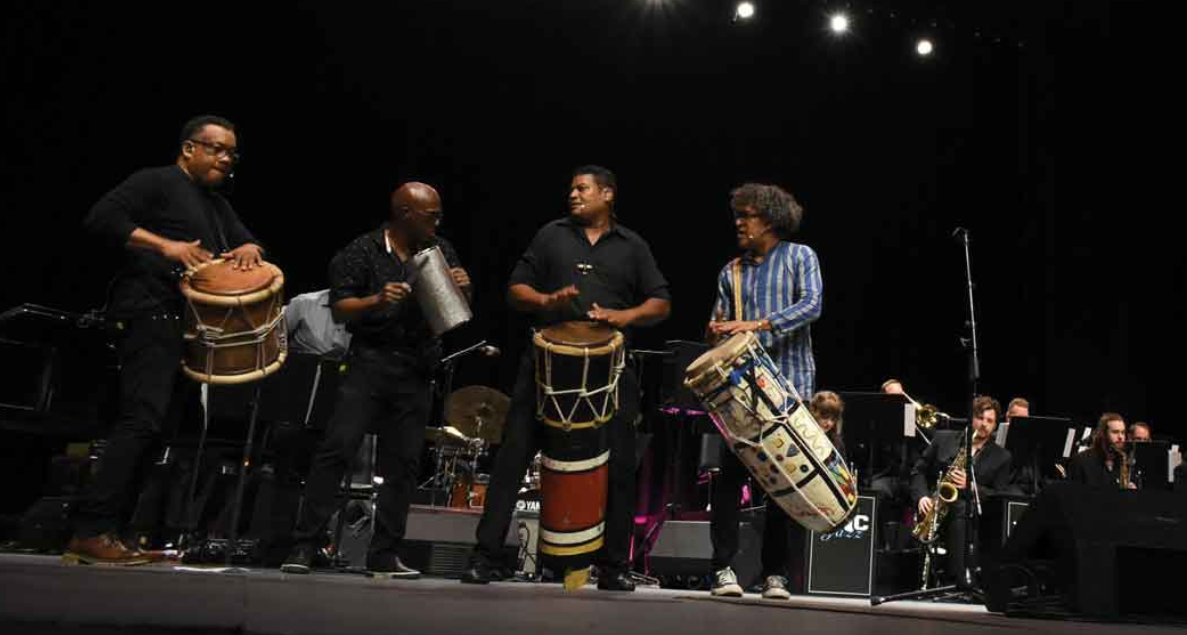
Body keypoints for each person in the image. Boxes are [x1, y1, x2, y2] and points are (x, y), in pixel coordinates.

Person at [462, 166, 670, 592]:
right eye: (571, 189)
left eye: (582, 188)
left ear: (608, 194)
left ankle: (613, 566)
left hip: (608, 372)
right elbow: (515, 290)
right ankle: (484, 557)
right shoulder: (551, 235)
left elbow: (661, 302)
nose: (572, 195)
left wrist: (624, 316)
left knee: (621, 470)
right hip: (545, 369)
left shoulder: (632, 246)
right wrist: (546, 299)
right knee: (511, 458)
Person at [68, 115, 263, 565]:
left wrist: (251, 247)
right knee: (141, 421)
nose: (226, 158)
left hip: (186, 325)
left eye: (232, 152)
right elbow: (101, 218)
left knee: (160, 431)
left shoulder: (215, 205)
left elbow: (245, 241)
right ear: (189, 148)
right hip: (148, 312)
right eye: (217, 149)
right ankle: (89, 529)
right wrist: (164, 246)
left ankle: (117, 532)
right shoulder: (154, 182)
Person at [279, 182, 471, 578]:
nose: (438, 221)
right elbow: (341, 309)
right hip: (370, 363)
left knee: (403, 464)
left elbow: (454, 312)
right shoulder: (362, 250)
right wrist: (377, 300)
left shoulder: (439, 250)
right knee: (336, 450)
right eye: (431, 214)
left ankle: (384, 554)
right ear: (405, 214)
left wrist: (463, 288)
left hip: (417, 367)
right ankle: (304, 545)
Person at [705, 183, 822, 601]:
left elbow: (812, 306)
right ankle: (722, 569)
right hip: (740, 392)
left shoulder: (800, 257)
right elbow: (719, 327)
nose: (739, 222)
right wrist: (717, 331)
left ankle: (776, 574)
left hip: (789, 387)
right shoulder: (730, 272)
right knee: (728, 480)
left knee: (782, 486)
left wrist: (755, 326)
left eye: (747, 215)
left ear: (770, 220)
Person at [911, 395, 1012, 586]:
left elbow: (999, 495)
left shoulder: (1002, 457)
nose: (984, 424)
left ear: (995, 425)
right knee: (956, 510)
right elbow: (918, 471)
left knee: (960, 509)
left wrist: (972, 487)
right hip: (933, 504)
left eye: (989, 421)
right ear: (971, 417)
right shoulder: (943, 438)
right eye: (980, 418)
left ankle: (961, 581)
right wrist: (922, 496)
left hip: (972, 513)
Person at [1065, 413, 1133, 489]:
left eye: (1123, 432)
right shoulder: (1081, 460)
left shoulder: (1123, 460)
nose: (1120, 437)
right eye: (1115, 432)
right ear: (1103, 434)